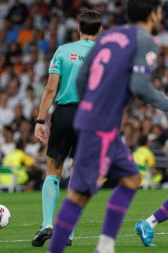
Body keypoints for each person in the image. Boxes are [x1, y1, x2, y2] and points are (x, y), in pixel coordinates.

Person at [47, 1, 164, 252]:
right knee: (79, 194)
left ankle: (105, 246)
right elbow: (141, 86)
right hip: (101, 126)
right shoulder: (144, 41)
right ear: (154, 13)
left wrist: (91, 105)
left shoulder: (110, 36)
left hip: (94, 120)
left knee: (132, 177)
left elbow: (81, 78)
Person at [32, 9, 102, 247]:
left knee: (53, 169)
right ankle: (68, 232)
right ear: (100, 30)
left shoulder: (64, 51)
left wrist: (40, 120)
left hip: (65, 113)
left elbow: (51, 89)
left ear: (79, 29)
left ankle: (46, 224)